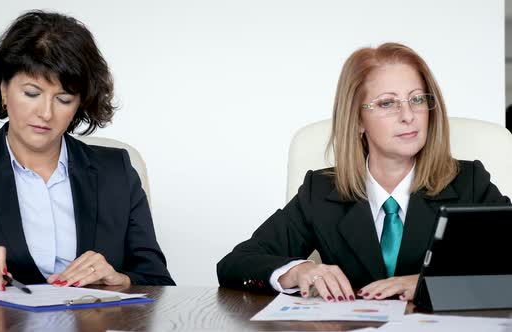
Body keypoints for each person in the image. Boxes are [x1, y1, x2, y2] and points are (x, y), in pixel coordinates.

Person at [217, 42, 510, 302]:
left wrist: (429, 285)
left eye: (417, 99)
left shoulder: (470, 183)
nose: (408, 115)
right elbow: (235, 263)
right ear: (357, 120)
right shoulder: (319, 191)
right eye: (387, 103)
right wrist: (299, 270)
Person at [0, 10, 174, 290]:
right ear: (4, 90)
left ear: (80, 103)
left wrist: (121, 279)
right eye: (31, 93)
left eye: (64, 99)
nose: (45, 113)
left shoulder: (117, 172)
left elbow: (157, 281)